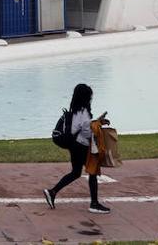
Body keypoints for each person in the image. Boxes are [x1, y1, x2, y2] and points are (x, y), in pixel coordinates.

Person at [44, 83, 111, 214]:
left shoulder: (76, 110)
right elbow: (86, 132)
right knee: (92, 172)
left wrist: (97, 122)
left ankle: (52, 192)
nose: (91, 98)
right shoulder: (84, 112)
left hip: (75, 146)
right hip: (81, 146)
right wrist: (98, 124)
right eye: (90, 96)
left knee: (76, 173)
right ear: (86, 97)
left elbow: (81, 127)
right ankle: (94, 204)